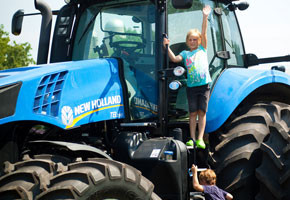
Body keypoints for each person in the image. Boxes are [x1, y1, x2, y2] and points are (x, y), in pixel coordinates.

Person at [163, 5, 212, 149]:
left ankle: (200, 138)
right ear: (187, 41)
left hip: (204, 86)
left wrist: (205, 17)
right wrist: (166, 47)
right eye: (190, 40)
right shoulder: (185, 54)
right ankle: (192, 138)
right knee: (192, 114)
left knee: (202, 113)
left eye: (195, 39)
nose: (193, 42)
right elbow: (174, 59)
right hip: (191, 87)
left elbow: (204, 32)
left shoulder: (203, 49)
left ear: (199, 41)